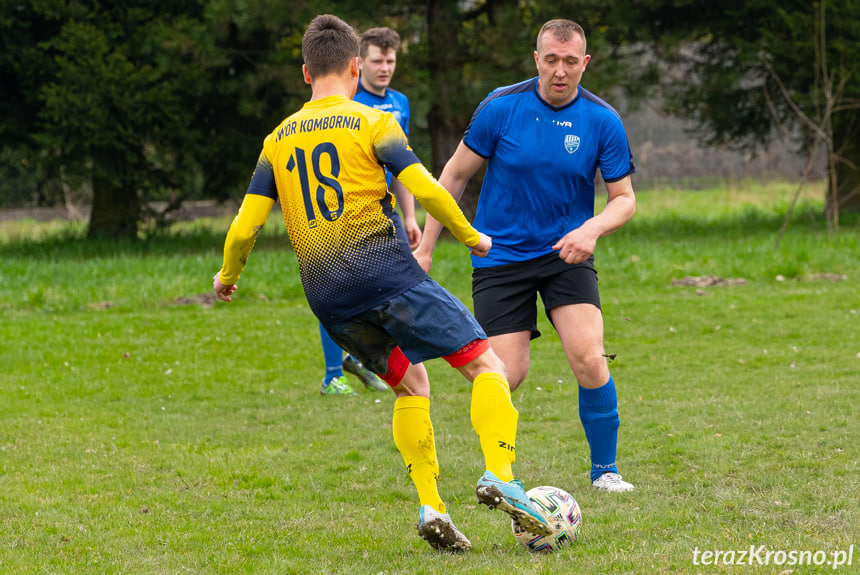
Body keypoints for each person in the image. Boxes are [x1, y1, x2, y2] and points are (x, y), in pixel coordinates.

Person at [212, 14, 554, 551]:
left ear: (306, 73)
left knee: (410, 383)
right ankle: (501, 475)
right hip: (387, 276)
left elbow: (244, 227)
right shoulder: (372, 122)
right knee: (486, 363)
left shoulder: (276, 140)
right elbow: (429, 187)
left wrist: (227, 276)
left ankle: (431, 506)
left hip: (328, 297)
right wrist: (471, 236)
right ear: (354, 66)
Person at [414, 18, 637, 493]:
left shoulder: (602, 121)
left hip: (566, 255)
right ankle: (497, 474)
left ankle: (606, 471)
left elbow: (625, 198)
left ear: (585, 63)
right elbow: (451, 177)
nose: (560, 71)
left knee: (589, 358)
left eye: (570, 62)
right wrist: (426, 248)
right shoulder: (501, 108)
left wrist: (591, 229)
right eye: (551, 60)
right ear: (537, 59)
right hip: (500, 257)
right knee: (504, 373)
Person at [317, 26, 419, 396]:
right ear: (359, 64)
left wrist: (410, 216)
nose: (385, 68)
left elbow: (402, 169)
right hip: (345, 215)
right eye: (377, 60)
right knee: (336, 290)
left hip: (385, 214)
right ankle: (334, 374)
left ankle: (371, 361)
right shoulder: (346, 102)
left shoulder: (401, 103)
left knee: (389, 288)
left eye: (390, 60)